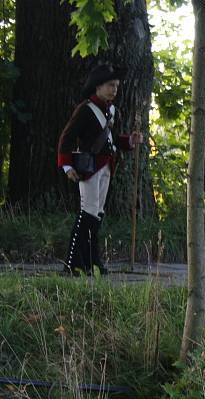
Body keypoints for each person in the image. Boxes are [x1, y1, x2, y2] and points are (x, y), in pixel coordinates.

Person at [57, 64, 143, 276]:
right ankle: (72, 263)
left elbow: (109, 140)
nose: (115, 89)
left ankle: (91, 262)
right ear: (97, 87)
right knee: (88, 211)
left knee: (96, 214)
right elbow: (66, 138)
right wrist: (67, 166)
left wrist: (129, 141)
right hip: (88, 167)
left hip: (106, 166)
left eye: (116, 85)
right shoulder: (85, 109)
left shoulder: (111, 109)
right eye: (110, 85)